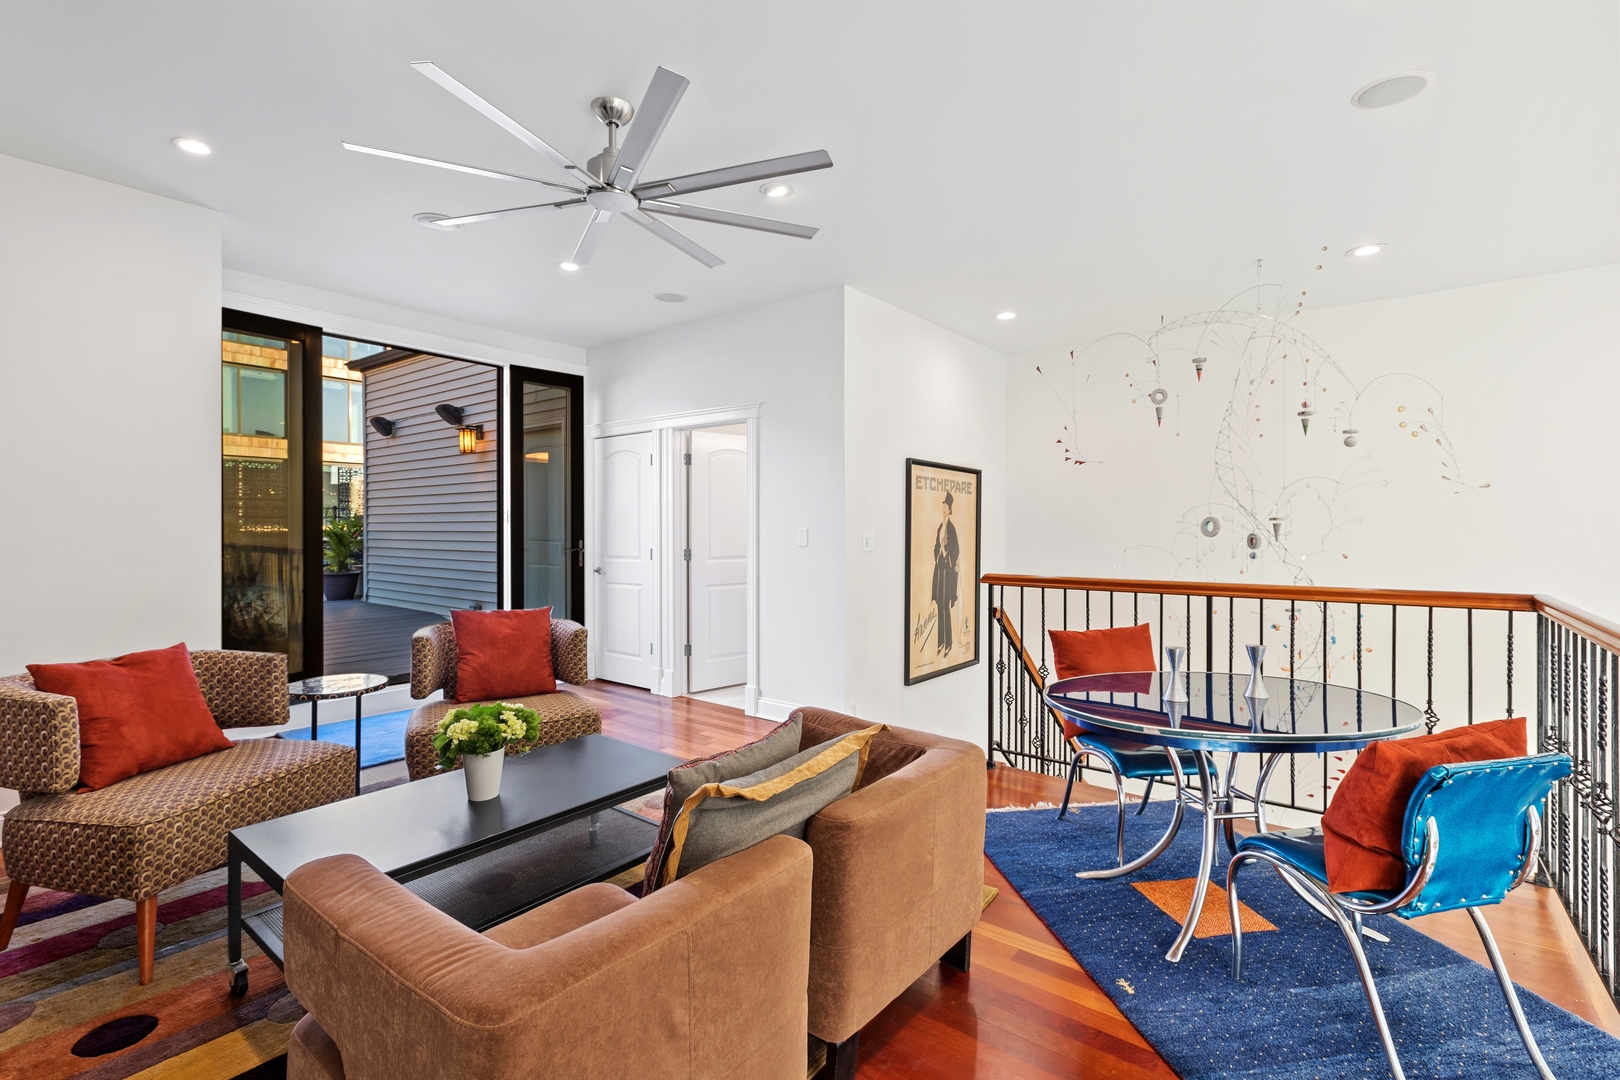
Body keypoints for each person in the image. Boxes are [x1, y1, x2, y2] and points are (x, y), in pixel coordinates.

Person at [931, 490, 960, 656]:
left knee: (946, 606)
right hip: (940, 568)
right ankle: (940, 642)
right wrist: (938, 553)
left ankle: (948, 643)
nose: (943, 508)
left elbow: (956, 549)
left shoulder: (951, 528)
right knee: (940, 604)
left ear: (950, 510)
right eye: (942, 505)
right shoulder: (940, 527)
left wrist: (947, 552)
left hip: (947, 570)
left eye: (946, 506)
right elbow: (936, 546)